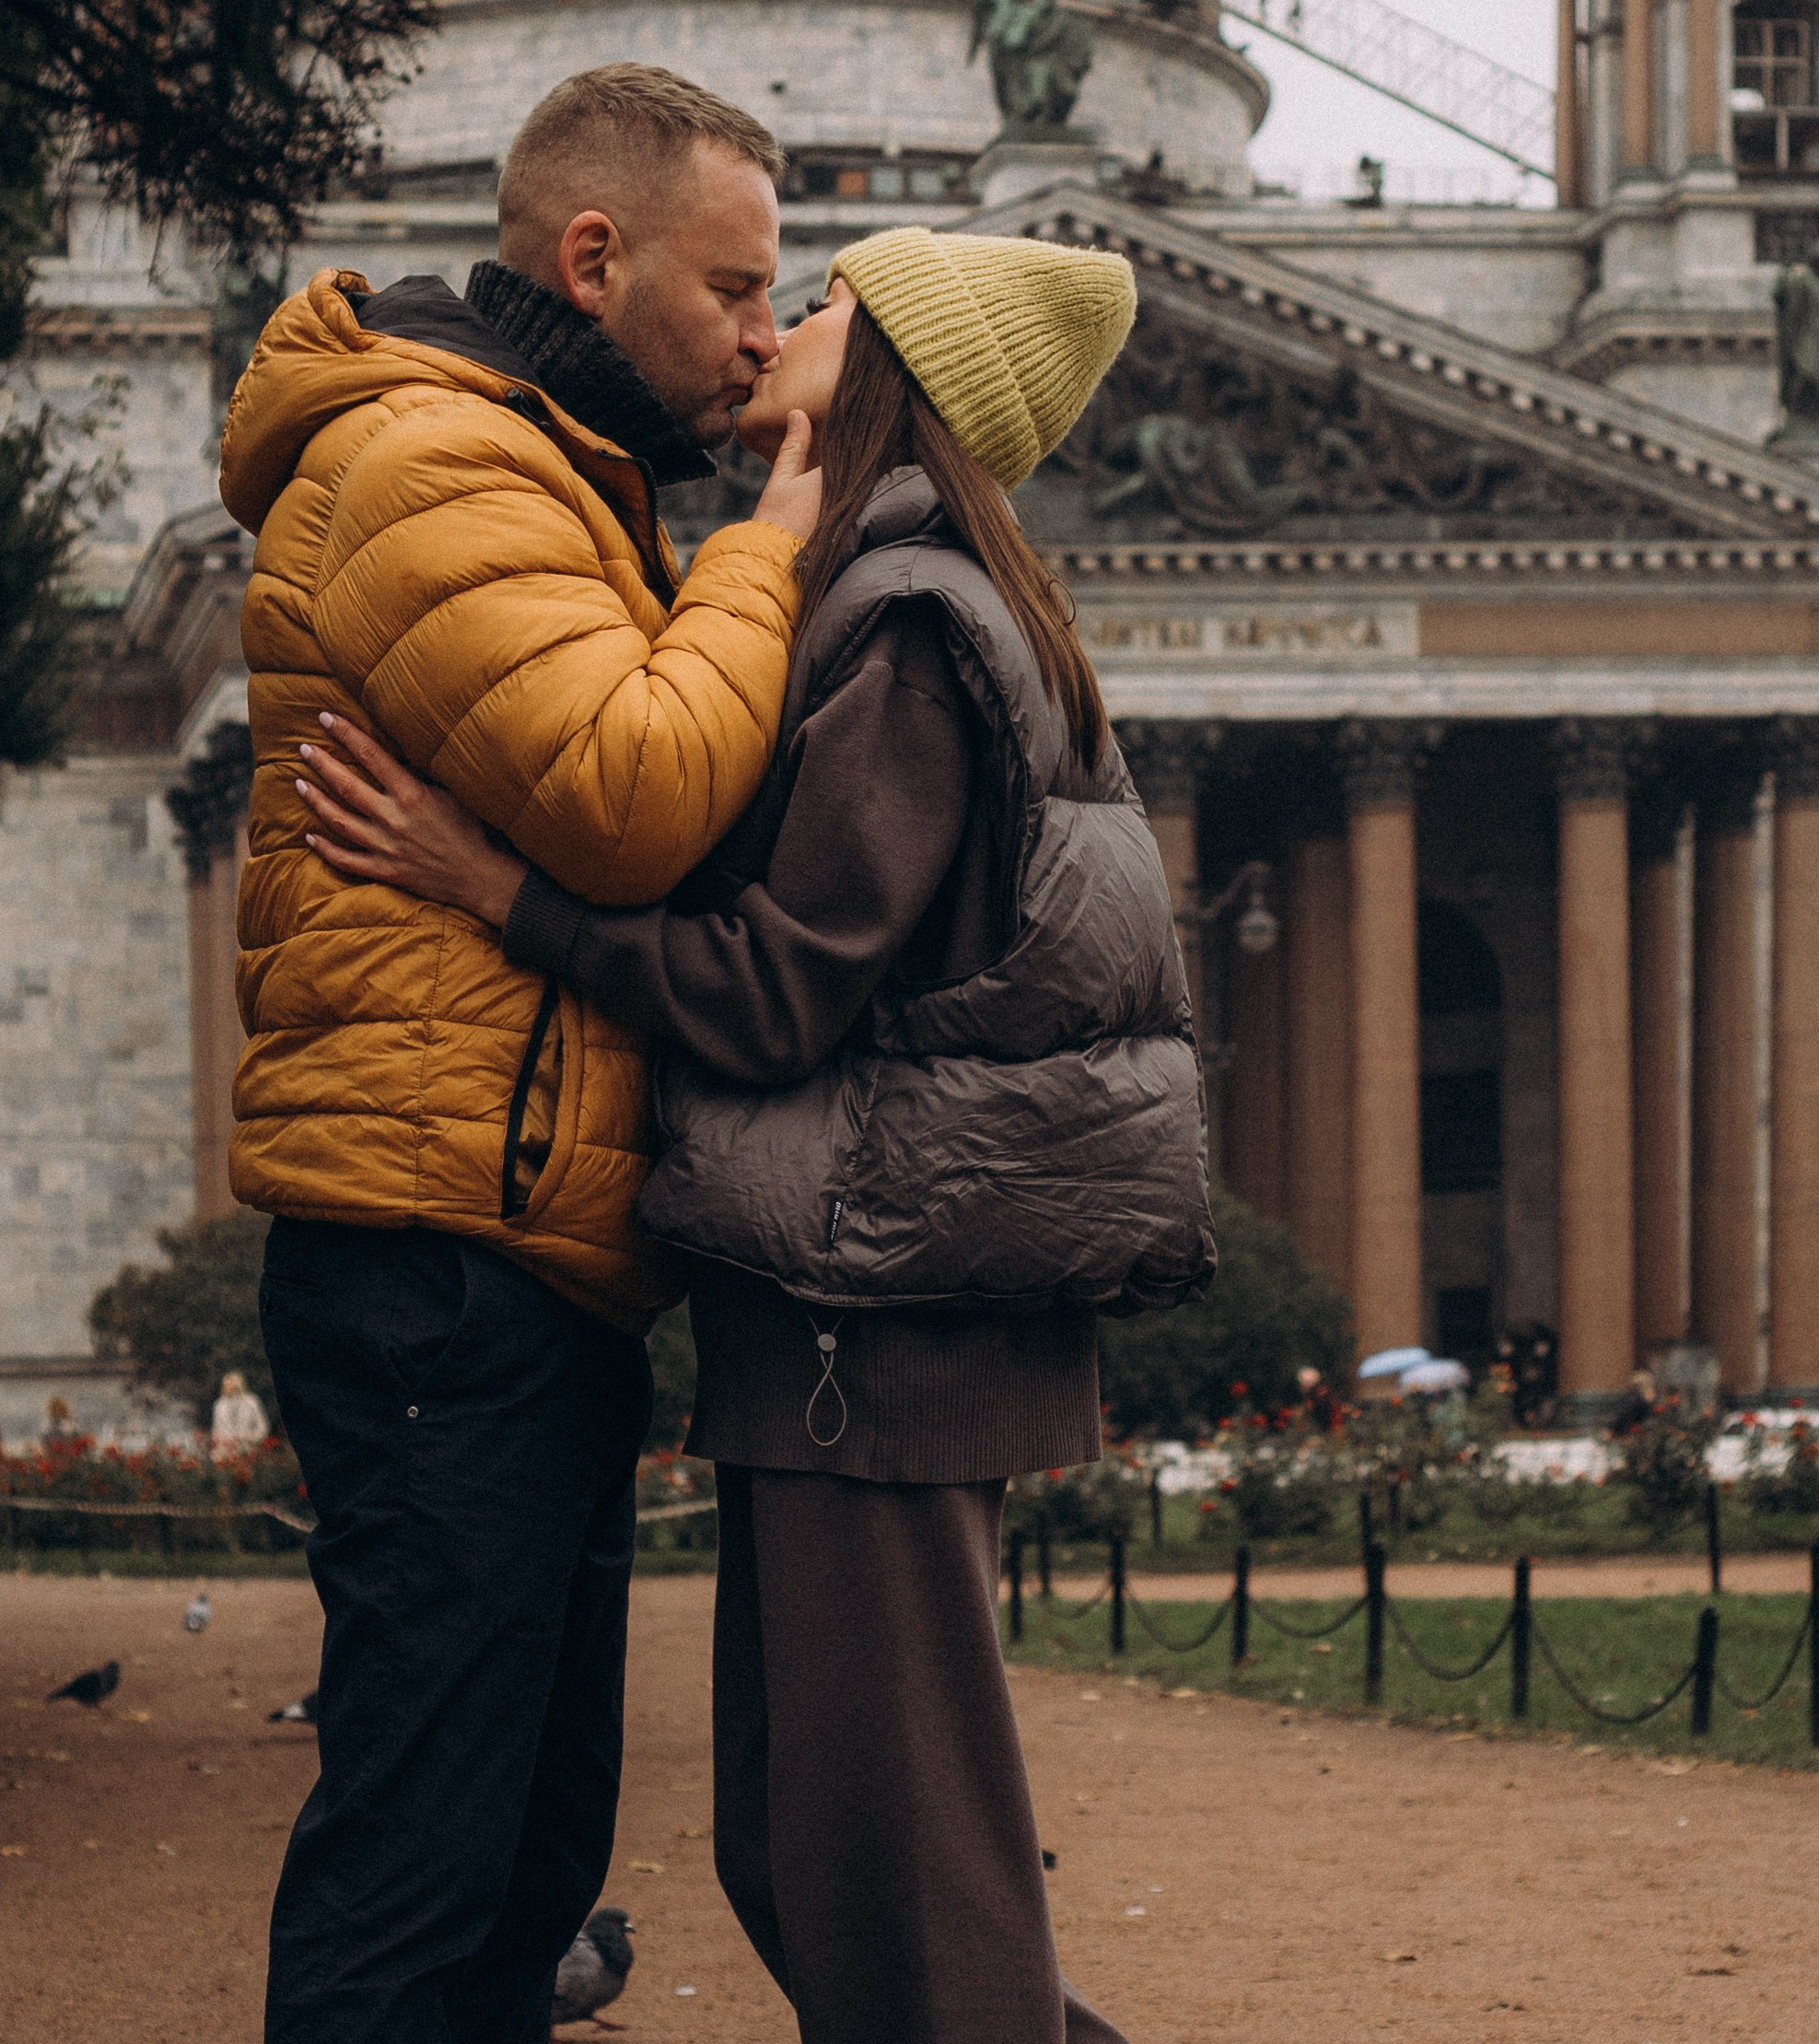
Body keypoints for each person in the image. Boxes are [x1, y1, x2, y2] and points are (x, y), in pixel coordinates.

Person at [295, 226, 1213, 2044]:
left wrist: (499, 888)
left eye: (824, 303)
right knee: (817, 1858)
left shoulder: (902, 622)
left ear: (899, 371)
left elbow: (782, 985)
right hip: (847, 1310)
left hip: (871, 1324)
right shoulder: (891, 592)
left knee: (890, 1884)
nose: (777, 323)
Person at [218, 61, 822, 2044]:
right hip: (438, 1254)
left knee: (519, 1857)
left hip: (509, 1243)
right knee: (422, 1862)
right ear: (590, 256)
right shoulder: (435, 458)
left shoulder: (546, 468)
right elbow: (637, 791)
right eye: (732, 288)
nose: (761, 337)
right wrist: (776, 540)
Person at [210, 1369, 270, 1457]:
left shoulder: (252, 1402)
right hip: (225, 1454)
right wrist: (217, 1452)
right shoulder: (219, 1405)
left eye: (229, 1384)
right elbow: (216, 1430)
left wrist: (247, 1438)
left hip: (249, 1452)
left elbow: (263, 1428)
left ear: (237, 1384)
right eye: (225, 1385)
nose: (226, 1387)